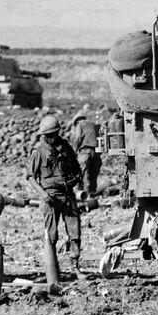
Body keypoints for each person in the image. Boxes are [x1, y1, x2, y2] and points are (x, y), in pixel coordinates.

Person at [27, 115, 83, 278]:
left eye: (54, 134)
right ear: (43, 135)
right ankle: (52, 269)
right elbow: (30, 176)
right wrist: (42, 194)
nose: (51, 138)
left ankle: (75, 265)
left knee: (75, 231)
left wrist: (76, 179)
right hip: (50, 196)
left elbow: (76, 167)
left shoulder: (65, 146)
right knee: (51, 234)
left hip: (67, 194)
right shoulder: (38, 150)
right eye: (48, 135)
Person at [70, 111, 102, 194]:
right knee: (93, 176)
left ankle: (85, 197)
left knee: (83, 175)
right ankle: (92, 195)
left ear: (76, 121)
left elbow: (78, 138)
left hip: (85, 152)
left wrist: (73, 152)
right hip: (96, 153)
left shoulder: (79, 124)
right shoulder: (93, 125)